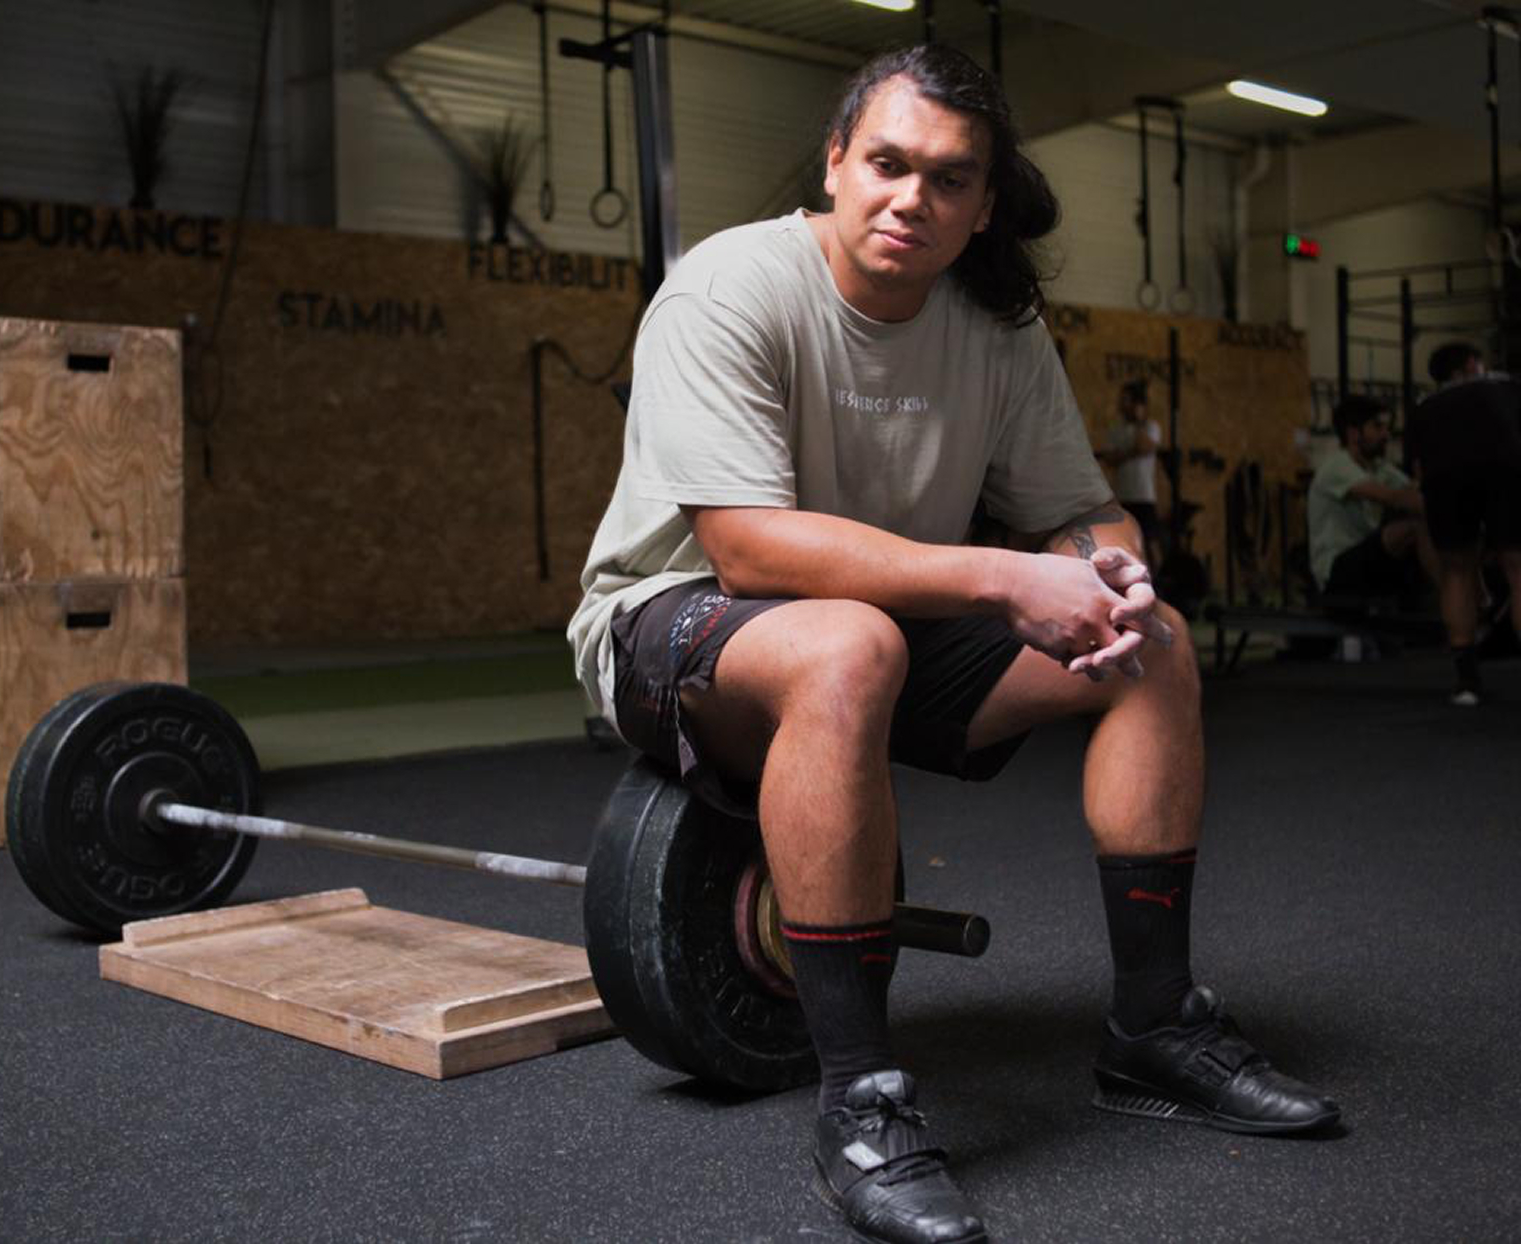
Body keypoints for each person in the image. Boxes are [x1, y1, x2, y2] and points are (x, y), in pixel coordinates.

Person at [567, 42, 1338, 1244]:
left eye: (946, 179)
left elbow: (1076, 512)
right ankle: (860, 1100)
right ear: (834, 162)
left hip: (890, 621)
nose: (908, 199)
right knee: (843, 647)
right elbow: (745, 551)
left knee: (1157, 644)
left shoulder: (995, 325)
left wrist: (1107, 570)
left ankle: (1152, 1027)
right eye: (885, 163)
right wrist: (999, 577)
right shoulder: (731, 287)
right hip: (666, 622)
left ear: (981, 206)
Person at [1405, 342, 1521, 705]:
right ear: (1473, 364)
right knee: (1518, 568)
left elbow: (1418, 472)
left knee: (1456, 571)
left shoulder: (1424, 407)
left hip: (1445, 479)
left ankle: (1466, 681)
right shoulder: (1505, 388)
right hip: (1505, 470)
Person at [1307, 395, 1435, 605]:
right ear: (1353, 433)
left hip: (1367, 564)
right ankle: (1452, 595)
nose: (1386, 435)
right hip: (1336, 572)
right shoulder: (1337, 466)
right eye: (1377, 427)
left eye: (1386, 427)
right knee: (1415, 528)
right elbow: (1395, 498)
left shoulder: (1379, 468)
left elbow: (1414, 491)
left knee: (1425, 531)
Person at [1095, 379, 1164, 562]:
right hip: (1123, 496)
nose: (1121, 404)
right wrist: (1132, 452)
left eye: (1126, 400)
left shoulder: (1151, 427)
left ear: (1137, 404)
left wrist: (1139, 423)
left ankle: (1159, 584)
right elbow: (1110, 459)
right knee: (1124, 542)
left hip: (1144, 496)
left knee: (1150, 542)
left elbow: (1145, 447)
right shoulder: (1116, 429)